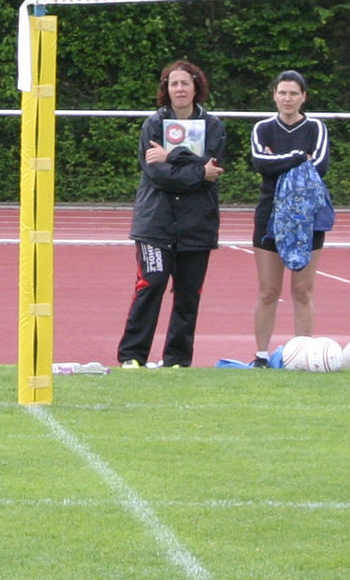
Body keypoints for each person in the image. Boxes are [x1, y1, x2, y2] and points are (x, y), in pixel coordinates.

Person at [117, 60, 225, 368]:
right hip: (156, 224)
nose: (180, 89)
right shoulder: (153, 124)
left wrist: (172, 155)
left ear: (196, 87)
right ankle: (132, 356)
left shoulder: (213, 125)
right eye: (173, 83)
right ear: (166, 88)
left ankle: (177, 359)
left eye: (185, 83)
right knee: (151, 283)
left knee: (188, 294)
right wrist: (196, 171)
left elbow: (213, 168)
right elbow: (158, 175)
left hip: (197, 225)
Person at [250, 70, 330, 368]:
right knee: (268, 290)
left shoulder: (316, 128)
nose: (288, 98)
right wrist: (299, 156)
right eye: (282, 92)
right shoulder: (262, 128)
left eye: (294, 93)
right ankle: (260, 355)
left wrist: (281, 159)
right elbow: (261, 162)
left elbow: (319, 165)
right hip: (270, 214)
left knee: (302, 290)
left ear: (303, 97)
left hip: (308, 217)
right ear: (274, 95)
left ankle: (304, 355)